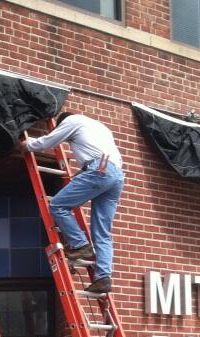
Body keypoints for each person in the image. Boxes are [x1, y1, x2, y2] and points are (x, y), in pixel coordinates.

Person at [19, 111, 124, 295]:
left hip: (100, 169)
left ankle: (80, 245)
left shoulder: (72, 121)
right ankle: (103, 277)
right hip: (117, 176)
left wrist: (27, 145)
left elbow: (49, 141)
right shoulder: (99, 127)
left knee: (58, 205)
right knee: (102, 232)